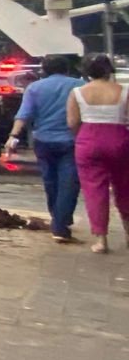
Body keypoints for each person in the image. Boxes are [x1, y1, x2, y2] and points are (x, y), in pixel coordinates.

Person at [4, 55, 85, 242]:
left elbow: (24, 114)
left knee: (50, 181)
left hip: (43, 141)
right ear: (66, 69)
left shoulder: (34, 88)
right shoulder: (79, 85)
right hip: (72, 140)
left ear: (44, 70)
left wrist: (13, 136)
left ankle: (58, 218)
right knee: (69, 183)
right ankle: (60, 222)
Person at [67, 54, 129, 254]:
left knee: (94, 190)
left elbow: (72, 122)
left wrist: (82, 137)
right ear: (109, 70)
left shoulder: (77, 92)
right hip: (119, 139)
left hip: (88, 141)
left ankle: (101, 240)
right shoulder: (124, 91)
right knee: (125, 187)